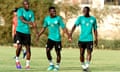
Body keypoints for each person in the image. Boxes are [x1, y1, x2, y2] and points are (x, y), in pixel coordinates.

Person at [37, 6, 70, 71]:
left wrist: (69, 36)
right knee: (47, 50)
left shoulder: (58, 18)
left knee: (58, 52)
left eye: (55, 11)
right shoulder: (47, 19)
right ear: (50, 12)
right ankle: (51, 64)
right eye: (53, 11)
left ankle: (57, 66)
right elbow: (44, 28)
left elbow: (64, 28)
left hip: (57, 39)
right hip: (50, 38)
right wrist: (38, 35)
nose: (55, 12)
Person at [69, 7, 98, 71]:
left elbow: (95, 30)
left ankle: (87, 66)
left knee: (89, 53)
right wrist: (70, 34)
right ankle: (83, 65)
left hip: (90, 39)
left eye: (86, 11)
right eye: (83, 11)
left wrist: (96, 39)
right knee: (81, 53)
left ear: (88, 11)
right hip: (81, 39)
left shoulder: (93, 19)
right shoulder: (80, 18)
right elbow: (74, 26)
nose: (84, 12)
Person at [15, 1, 37, 69]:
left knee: (28, 49)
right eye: (26, 4)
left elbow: (33, 23)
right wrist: (29, 22)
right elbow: (21, 19)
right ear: (23, 5)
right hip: (19, 31)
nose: (27, 5)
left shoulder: (31, 12)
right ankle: (17, 60)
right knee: (19, 46)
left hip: (27, 33)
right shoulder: (20, 10)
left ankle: (27, 65)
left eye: (28, 4)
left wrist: (36, 31)